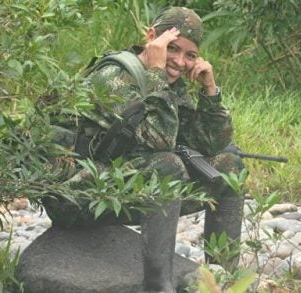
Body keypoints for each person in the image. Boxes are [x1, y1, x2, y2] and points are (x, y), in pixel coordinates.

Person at [44, 6, 245, 292]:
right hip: (75, 195)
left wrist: (210, 91)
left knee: (230, 165)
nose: (178, 61)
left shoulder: (168, 83)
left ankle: (223, 281)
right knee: (167, 166)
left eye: (189, 55)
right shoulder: (115, 77)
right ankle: (158, 286)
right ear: (152, 37)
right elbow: (159, 141)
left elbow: (209, 144)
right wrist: (156, 73)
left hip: (118, 186)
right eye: (172, 48)